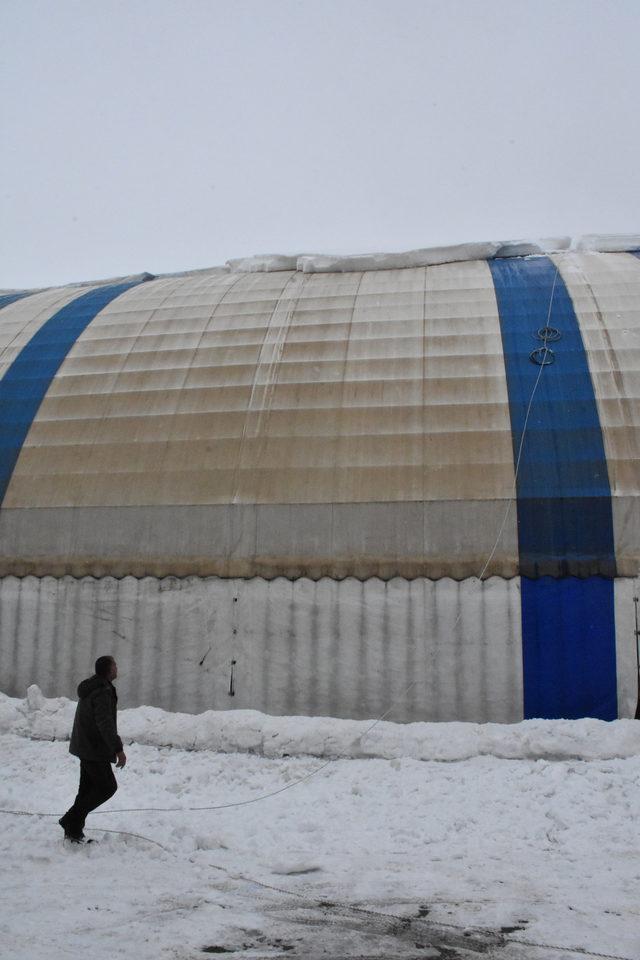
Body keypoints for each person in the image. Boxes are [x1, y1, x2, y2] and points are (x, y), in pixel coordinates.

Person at [59, 655, 127, 842]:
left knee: (87, 789)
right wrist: (118, 749)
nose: (117, 668)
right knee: (107, 787)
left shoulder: (92, 686)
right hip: (94, 748)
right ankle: (70, 820)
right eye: (115, 665)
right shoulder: (102, 691)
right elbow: (105, 723)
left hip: (86, 745)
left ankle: (73, 830)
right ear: (108, 670)